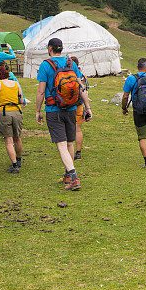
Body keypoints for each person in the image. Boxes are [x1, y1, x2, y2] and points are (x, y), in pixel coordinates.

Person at [35, 37, 92, 191]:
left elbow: (41, 91)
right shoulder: (70, 63)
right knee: (69, 143)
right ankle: (68, 174)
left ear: (50, 48)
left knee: (61, 145)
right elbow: (82, 87)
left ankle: (74, 177)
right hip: (71, 109)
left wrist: (38, 111)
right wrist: (87, 107)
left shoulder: (46, 65)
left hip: (54, 110)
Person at [0, 62, 25, 173]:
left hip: (5, 112)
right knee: (17, 137)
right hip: (17, 111)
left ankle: (14, 165)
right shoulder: (15, 83)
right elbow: (21, 100)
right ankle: (19, 159)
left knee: (8, 140)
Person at [71, 56, 88, 160]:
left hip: (67, 105)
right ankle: (78, 152)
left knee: (67, 129)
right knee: (78, 130)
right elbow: (85, 91)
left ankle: (69, 151)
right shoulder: (81, 76)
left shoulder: (65, 75)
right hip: (79, 104)